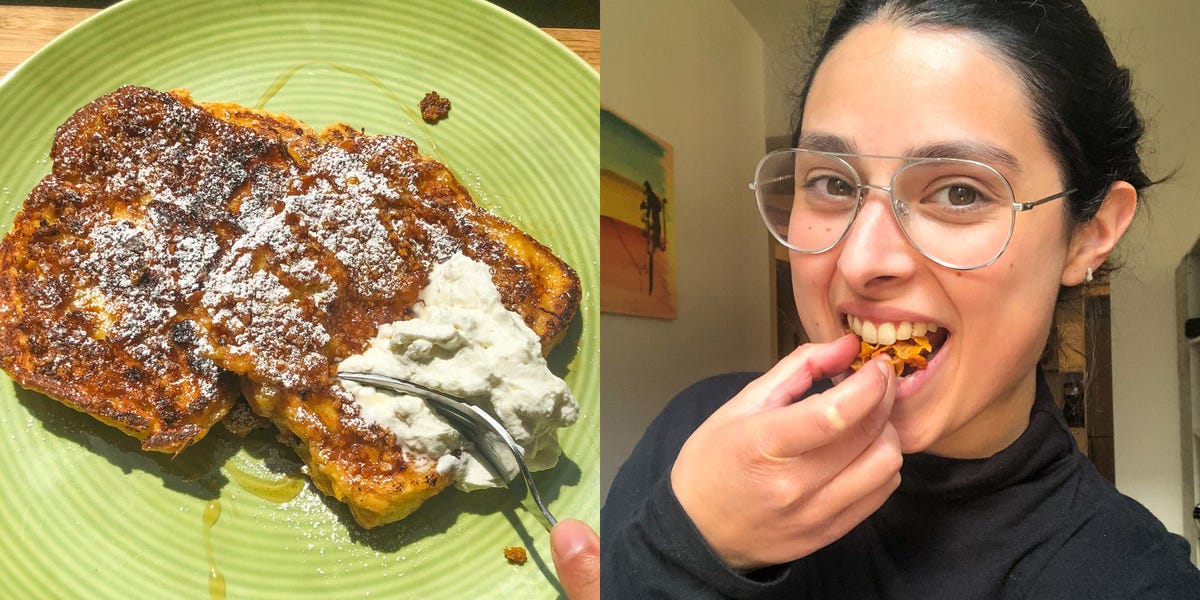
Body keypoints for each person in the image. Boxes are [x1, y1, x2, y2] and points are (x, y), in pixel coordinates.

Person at [601, 0, 1200, 597]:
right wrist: (686, 544)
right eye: (832, 183)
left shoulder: (1134, 581)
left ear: (1089, 233)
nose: (861, 262)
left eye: (960, 192)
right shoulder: (699, 441)